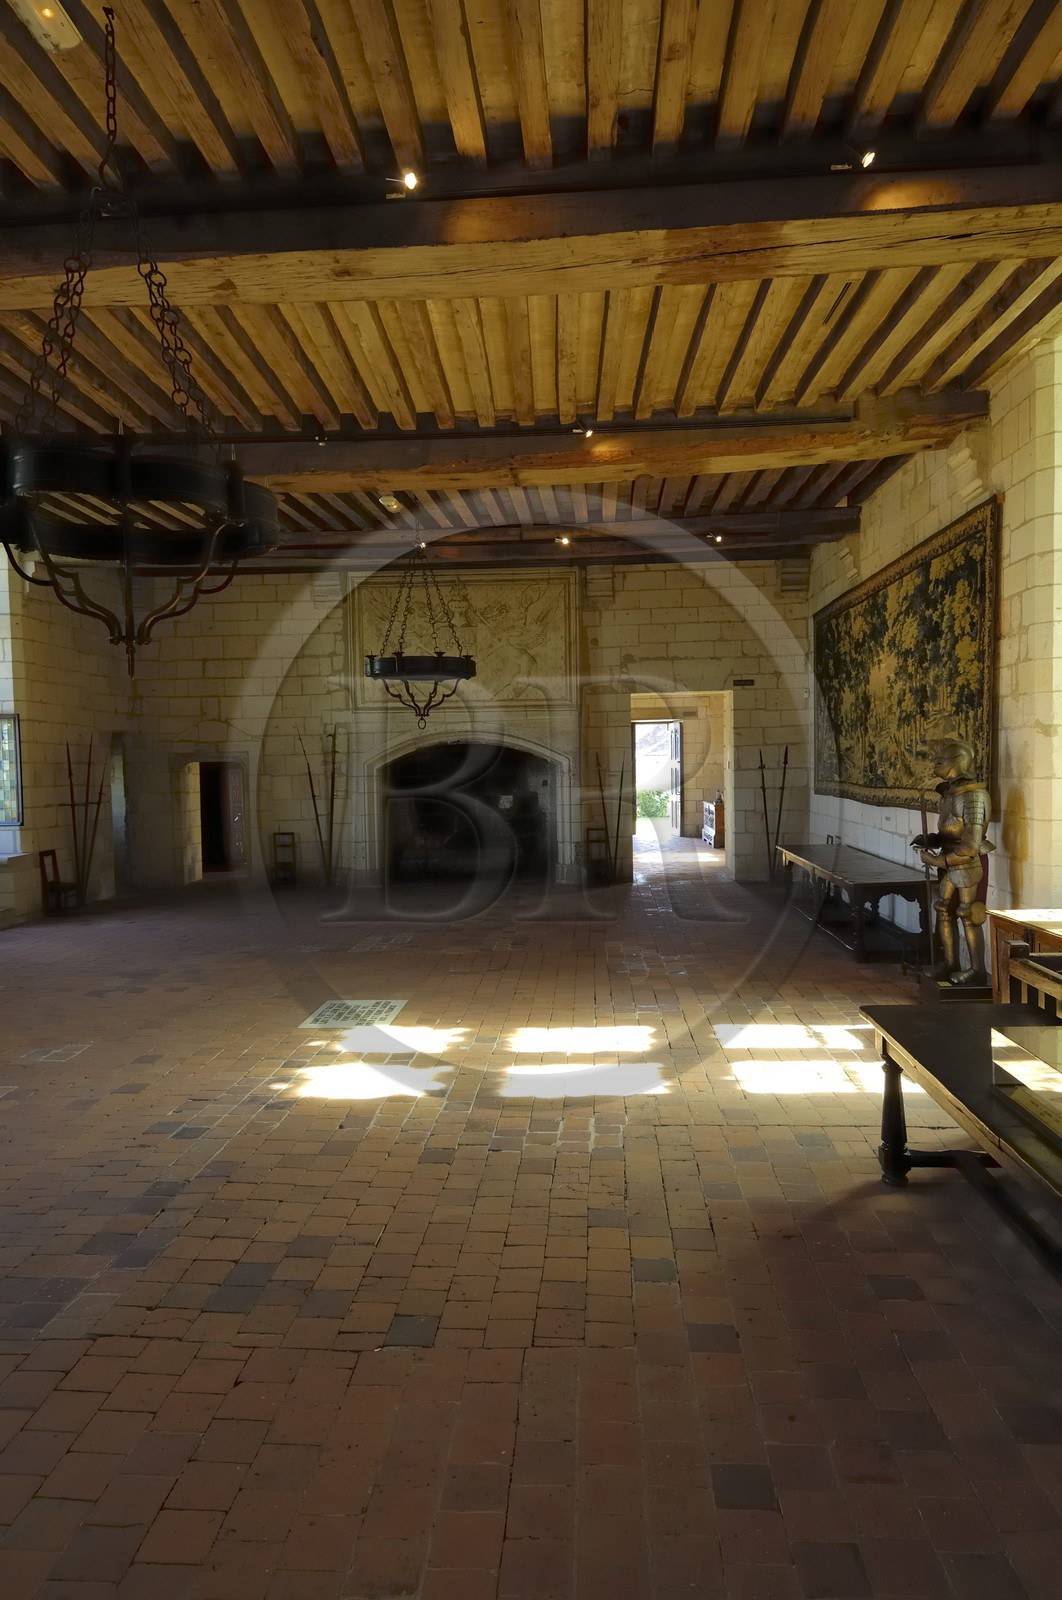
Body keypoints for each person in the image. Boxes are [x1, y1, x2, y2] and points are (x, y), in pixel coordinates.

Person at [911, 736, 993, 986]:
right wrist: (931, 839)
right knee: (944, 910)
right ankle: (949, 963)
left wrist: (935, 861)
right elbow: (950, 832)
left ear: (957, 762)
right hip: (949, 859)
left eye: (941, 760)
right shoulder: (949, 793)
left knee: (969, 913)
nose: (936, 763)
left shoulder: (973, 796)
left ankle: (977, 970)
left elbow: (969, 845)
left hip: (967, 862)